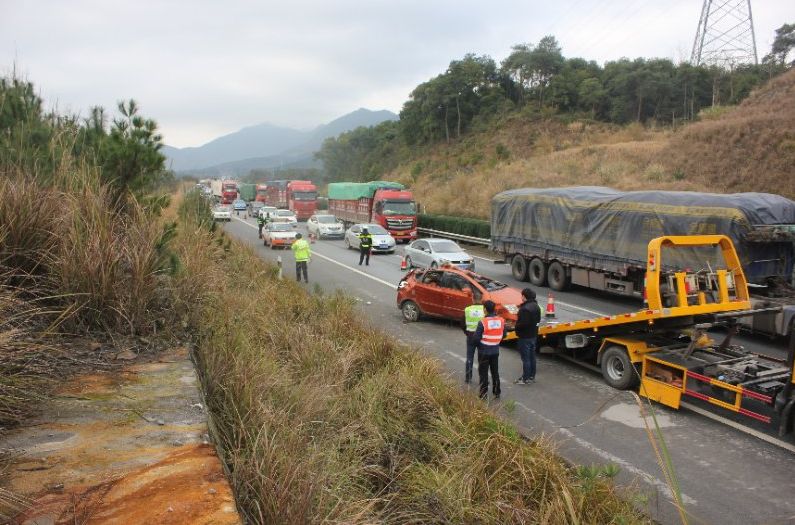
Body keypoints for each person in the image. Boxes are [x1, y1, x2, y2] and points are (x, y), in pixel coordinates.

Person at [473, 300, 506, 400]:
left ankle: (483, 394)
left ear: (485, 310)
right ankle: (497, 391)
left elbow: (476, 339)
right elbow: (504, 335)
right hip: (495, 350)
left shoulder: (483, 322)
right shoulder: (501, 320)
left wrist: (479, 345)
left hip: (484, 351)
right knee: (495, 371)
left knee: (483, 373)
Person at [514, 288, 541, 385]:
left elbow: (523, 324)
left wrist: (515, 326)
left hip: (525, 337)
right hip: (533, 335)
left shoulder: (525, 309)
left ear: (524, 297)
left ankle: (525, 378)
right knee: (532, 357)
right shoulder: (536, 306)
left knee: (525, 358)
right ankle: (531, 376)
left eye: (522, 296)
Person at [462, 299, 485, 384]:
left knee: (469, 357)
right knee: (482, 358)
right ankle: (482, 378)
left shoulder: (467, 309)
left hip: (471, 335)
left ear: (473, 299)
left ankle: (468, 378)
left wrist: (467, 332)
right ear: (481, 300)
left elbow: (462, 323)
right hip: (481, 336)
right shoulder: (484, 310)